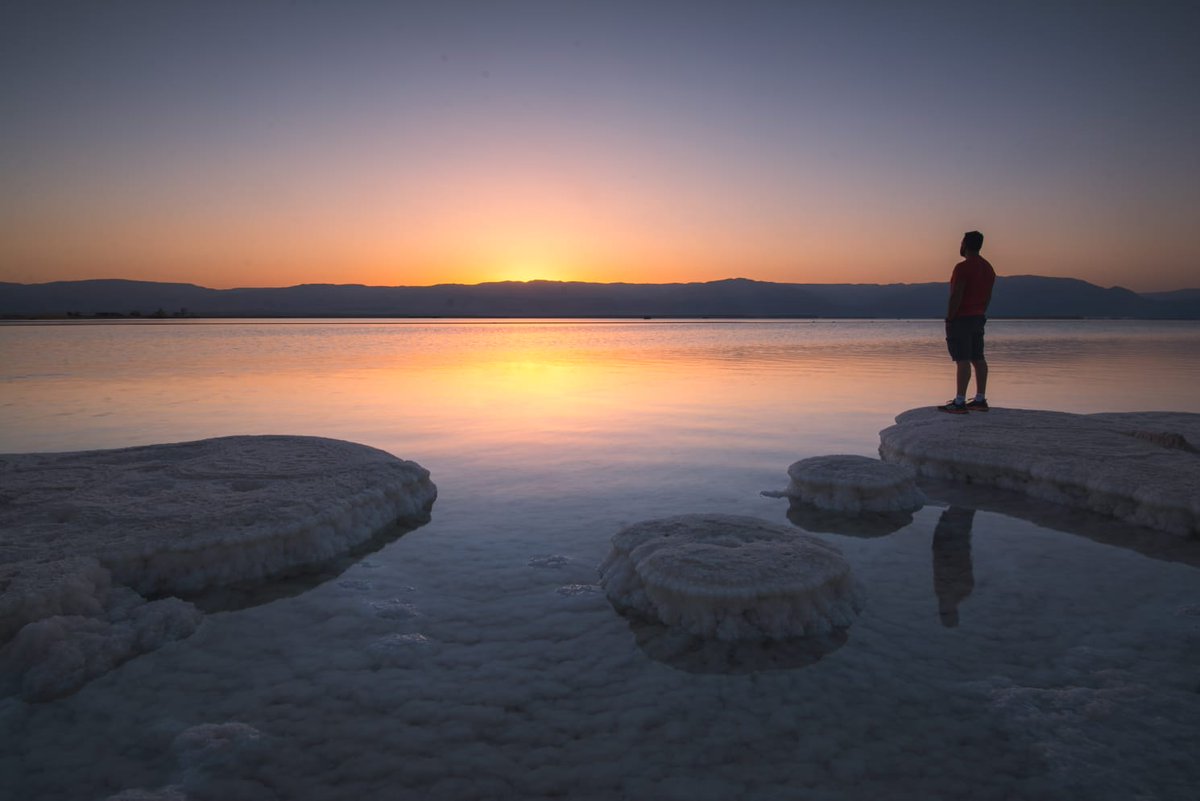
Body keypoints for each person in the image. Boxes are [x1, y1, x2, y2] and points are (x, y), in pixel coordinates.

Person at [939, 230, 996, 414]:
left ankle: (960, 401)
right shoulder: (988, 268)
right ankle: (980, 398)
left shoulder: (962, 268)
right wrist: (980, 312)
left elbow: (957, 295)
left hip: (962, 318)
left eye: (962, 242)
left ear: (965, 244)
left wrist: (950, 317)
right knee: (978, 357)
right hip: (979, 317)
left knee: (962, 359)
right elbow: (988, 297)